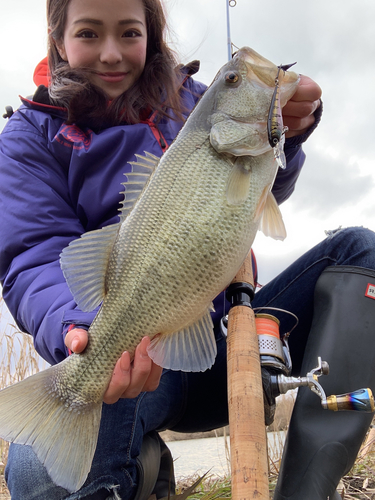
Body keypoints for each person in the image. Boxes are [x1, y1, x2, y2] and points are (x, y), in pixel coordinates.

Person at [1, 0, 374, 499]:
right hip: (125, 356)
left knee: (358, 252)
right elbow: (33, 255)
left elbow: (265, 187)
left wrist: (289, 129)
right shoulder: (28, 137)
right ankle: (141, 471)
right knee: (37, 474)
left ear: (151, 34)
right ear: (57, 35)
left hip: (227, 347)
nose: (111, 53)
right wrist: (82, 330)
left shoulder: (196, 102)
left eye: (129, 32)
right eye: (89, 33)